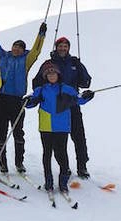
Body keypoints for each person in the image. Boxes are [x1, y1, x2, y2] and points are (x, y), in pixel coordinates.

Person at [0, 15, 46, 173]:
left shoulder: (27, 59)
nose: (16, 48)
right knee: (1, 131)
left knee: (18, 132)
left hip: (18, 100)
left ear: (24, 50)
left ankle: (19, 161)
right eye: (14, 46)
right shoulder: (3, 56)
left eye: (20, 47)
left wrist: (41, 35)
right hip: (1, 98)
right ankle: (2, 161)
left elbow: (36, 51)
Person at [25, 61, 94, 191]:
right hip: (46, 126)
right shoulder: (41, 90)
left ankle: (63, 182)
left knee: (61, 154)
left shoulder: (67, 89)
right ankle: (48, 181)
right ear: (45, 76)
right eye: (49, 74)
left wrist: (87, 96)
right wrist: (27, 101)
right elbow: (30, 103)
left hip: (61, 127)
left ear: (58, 75)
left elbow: (78, 99)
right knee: (47, 154)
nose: (51, 76)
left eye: (54, 73)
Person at [32, 37, 92, 178]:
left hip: (71, 103)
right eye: (60, 46)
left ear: (68, 48)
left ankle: (82, 165)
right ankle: (64, 167)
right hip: (54, 108)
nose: (63, 48)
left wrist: (81, 72)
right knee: (58, 142)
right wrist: (40, 95)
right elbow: (36, 82)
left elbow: (86, 82)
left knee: (79, 137)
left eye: (65, 46)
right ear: (56, 47)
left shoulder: (74, 63)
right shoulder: (49, 63)